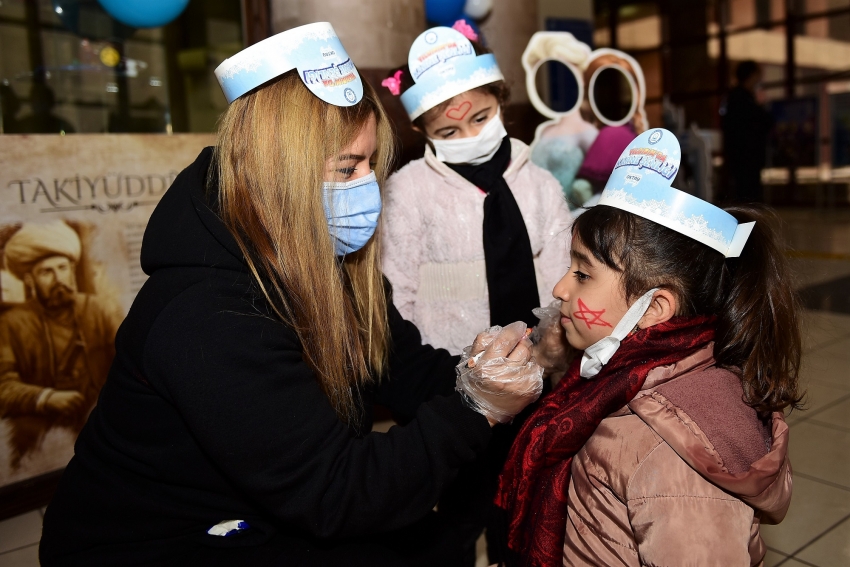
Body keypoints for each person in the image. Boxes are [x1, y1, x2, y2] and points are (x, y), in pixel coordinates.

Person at [39, 23, 544, 567]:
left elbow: (402, 366)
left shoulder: (331, 265)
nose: (368, 187)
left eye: (372, 164)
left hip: (262, 510)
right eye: (347, 168)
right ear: (279, 175)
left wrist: (493, 372)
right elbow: (338, 492)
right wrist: (475, 409)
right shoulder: (208, 314)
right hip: (151, 544)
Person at [494, 128, 800, 566]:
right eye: (569, 267)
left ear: (653, 307)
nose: (560, 288)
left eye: (583, 274)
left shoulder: (671, 456)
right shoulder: (612, 382)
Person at [380, 21, 572, 356]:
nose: (470, 137)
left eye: (481, 118)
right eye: (449, 132)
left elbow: (562, 280)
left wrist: (553, 350)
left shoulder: (541, 185)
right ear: (420, 128)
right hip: (444, 368)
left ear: (500, 98)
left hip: (536, 363)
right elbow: (396, 292)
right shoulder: (407, 191)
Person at [0, 221, 120, 469]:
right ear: (29, 279)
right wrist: (46, 397)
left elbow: (130, 358)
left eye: (63, 268)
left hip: (102, 414)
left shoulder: (97, 310)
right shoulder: (11, 324)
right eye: (47, 272)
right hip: (43, 426)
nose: (58, 279)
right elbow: (3, 385)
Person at [722, 60, 773, 203]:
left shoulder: (733, 98)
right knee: (748, 195)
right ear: (751, 76)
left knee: (742, 193)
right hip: (747, 156)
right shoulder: (744, 100)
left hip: (739, 155)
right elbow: (763, 121)